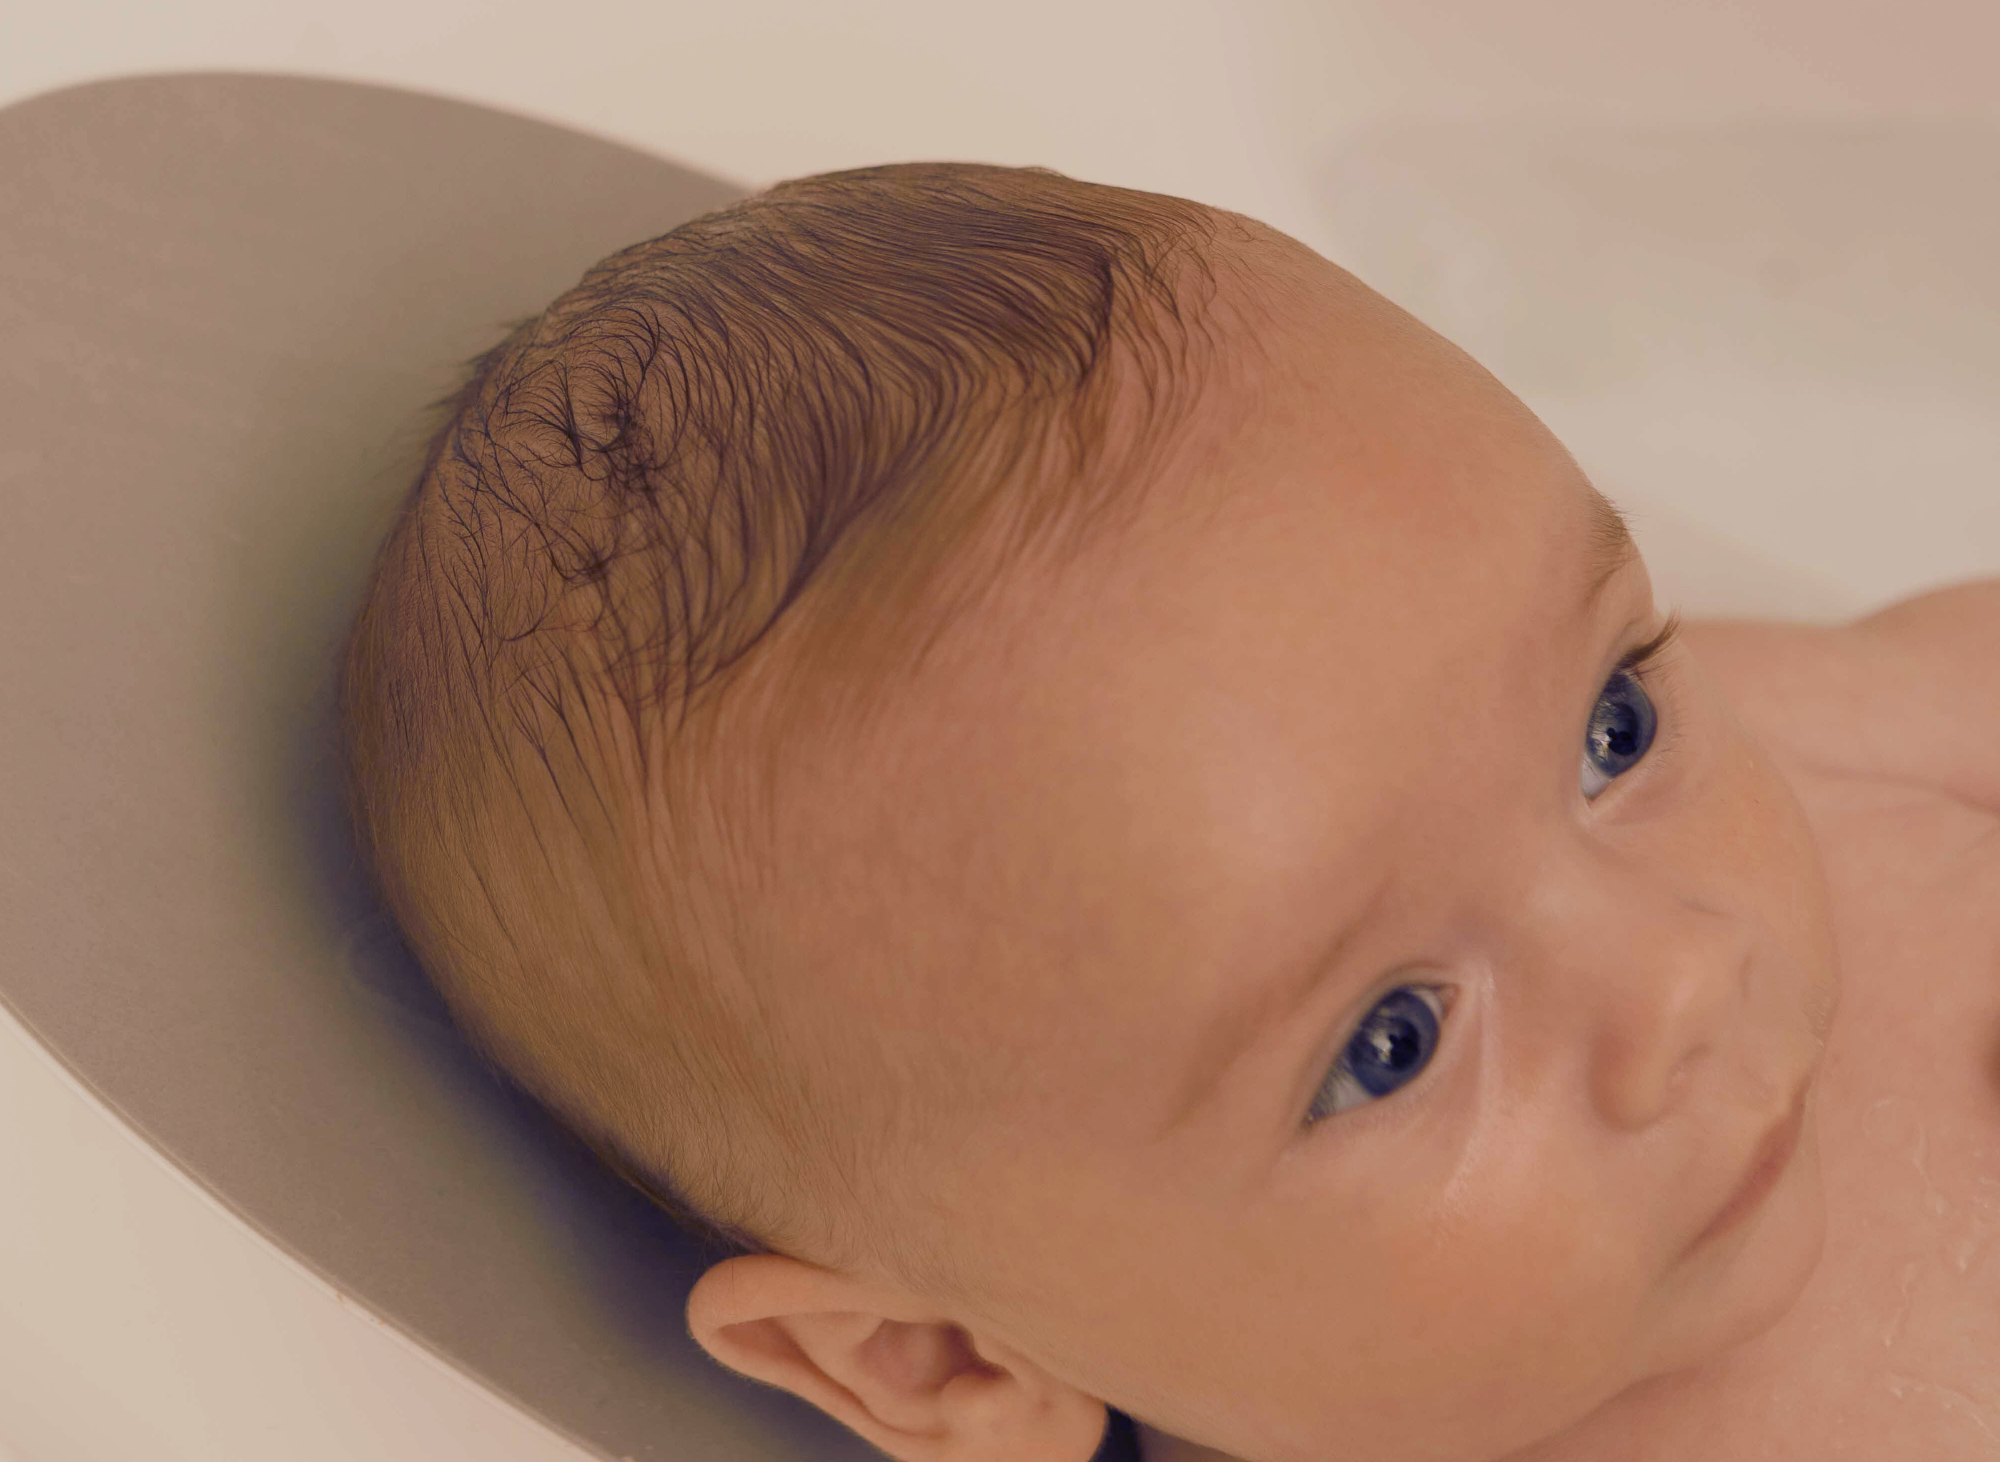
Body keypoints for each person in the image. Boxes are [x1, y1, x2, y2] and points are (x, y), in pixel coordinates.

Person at [340, 161, 2000, 1461]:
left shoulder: (1770, 735)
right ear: (946, 1363)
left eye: (1611, 734)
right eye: (1394, 1044)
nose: (1681, 978)